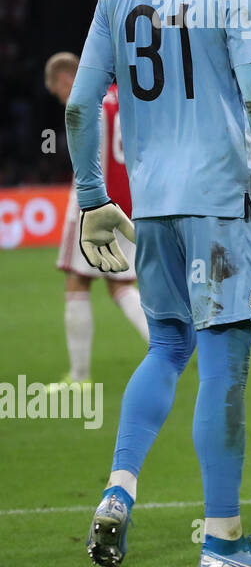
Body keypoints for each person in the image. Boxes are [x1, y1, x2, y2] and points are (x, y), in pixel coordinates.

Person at [69, 0, 251, 567]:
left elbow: (82, 106)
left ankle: (119, 489)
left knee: (168, 347)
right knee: (224, 367)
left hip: (153, 206)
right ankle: (224, 540)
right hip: (222, 203)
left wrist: (92, 201)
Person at [45, 52, 150, 381]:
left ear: (65, 79)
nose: (62, 98)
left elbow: (85, 158)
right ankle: (168, 346)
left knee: (77, 282)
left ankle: (79, 377)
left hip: (93, 205)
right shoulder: (124, 97)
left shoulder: (86, 102)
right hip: (131, 206)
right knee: (122, 285)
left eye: (58, 92)